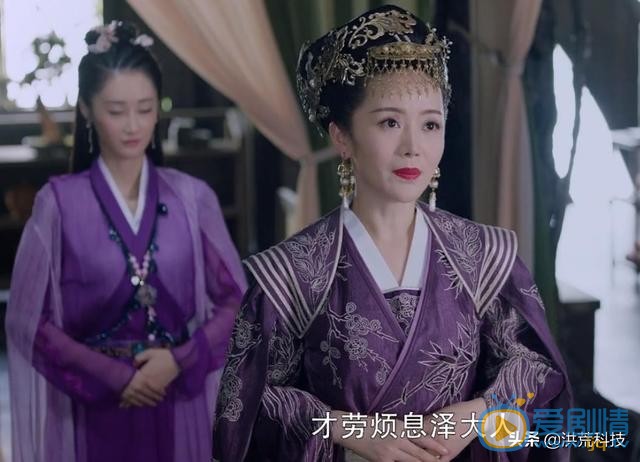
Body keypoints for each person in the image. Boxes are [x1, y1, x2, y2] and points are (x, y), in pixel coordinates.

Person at [213, 5, 571, 462]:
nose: (413, 147)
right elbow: (249, 405)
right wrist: (348, 429)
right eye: (389, 122)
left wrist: (478, 413)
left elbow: (535, 366)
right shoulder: (292, 273)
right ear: (342, 136)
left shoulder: (483, 256)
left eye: (430, 124)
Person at [7, 21, 246, 462]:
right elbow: (29, 321)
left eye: (145, 108)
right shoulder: (57, 204)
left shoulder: (193, 199)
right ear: (86, 110)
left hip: (177, 398)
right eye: (116, 111)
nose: (133, 125)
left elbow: (237, 302)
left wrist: (181, 359)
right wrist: (116, 377)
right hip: (95, 407)